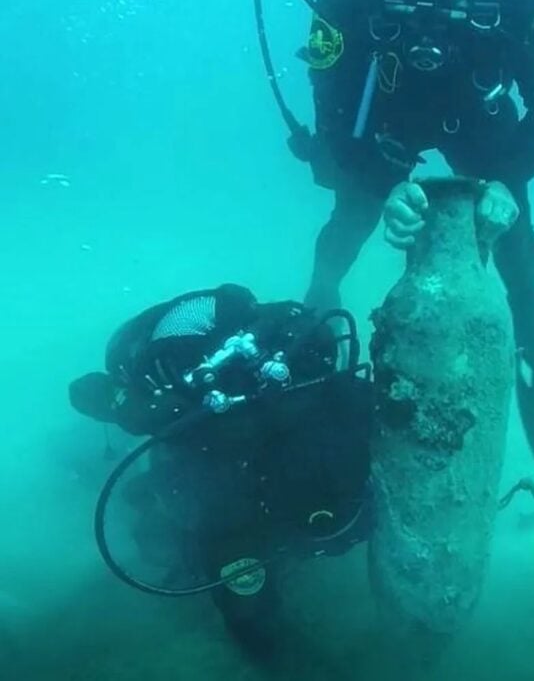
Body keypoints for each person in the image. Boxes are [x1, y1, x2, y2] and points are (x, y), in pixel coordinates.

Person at [289, 0, 534, 465]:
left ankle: (533, 323)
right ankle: (319, 307)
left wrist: (508, 174)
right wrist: (384, 184)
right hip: (382, 111)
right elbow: (332, 101)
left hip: (479, 108)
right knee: (352, 217)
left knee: (512, 227)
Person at [69, 283, 373, 662]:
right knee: (239, 589)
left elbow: (88, 392)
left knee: (239, 584)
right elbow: (88, 392)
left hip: (254, 473)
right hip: (232, 479)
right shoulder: (212, 429)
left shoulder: (311, 399)